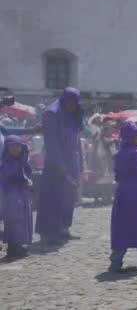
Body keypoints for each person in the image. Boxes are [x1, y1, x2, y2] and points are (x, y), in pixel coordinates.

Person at [35, 87, 83, 245]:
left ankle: (64, 228)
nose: (72, 106)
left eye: (75, 103)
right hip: (55, 165)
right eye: (70, 102)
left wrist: (79, 164)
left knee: (68, 198)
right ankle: (48, 232)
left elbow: (77, 139)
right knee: (52, 198)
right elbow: (53, 143)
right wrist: (61, 167)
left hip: (72, 161)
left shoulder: (74, 112)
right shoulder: (52, 113)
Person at [108, 122, 137, 272]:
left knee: (122, 225)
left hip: (123, 193)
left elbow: (116, 174)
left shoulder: (118, 155)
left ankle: (116, 261)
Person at [0, 136, 33, 259]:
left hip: (23, 196)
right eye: (12, 146)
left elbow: (28, 174)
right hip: (11, 198)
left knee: (23, 220)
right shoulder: (4, 163)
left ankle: (19, 245)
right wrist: (21, 182)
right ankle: (12, 248)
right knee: (13, 222)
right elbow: (5, 181)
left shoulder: (23, 161)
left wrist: (29, 182)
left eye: (18, 146)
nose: (16, 149)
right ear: (7, 147)